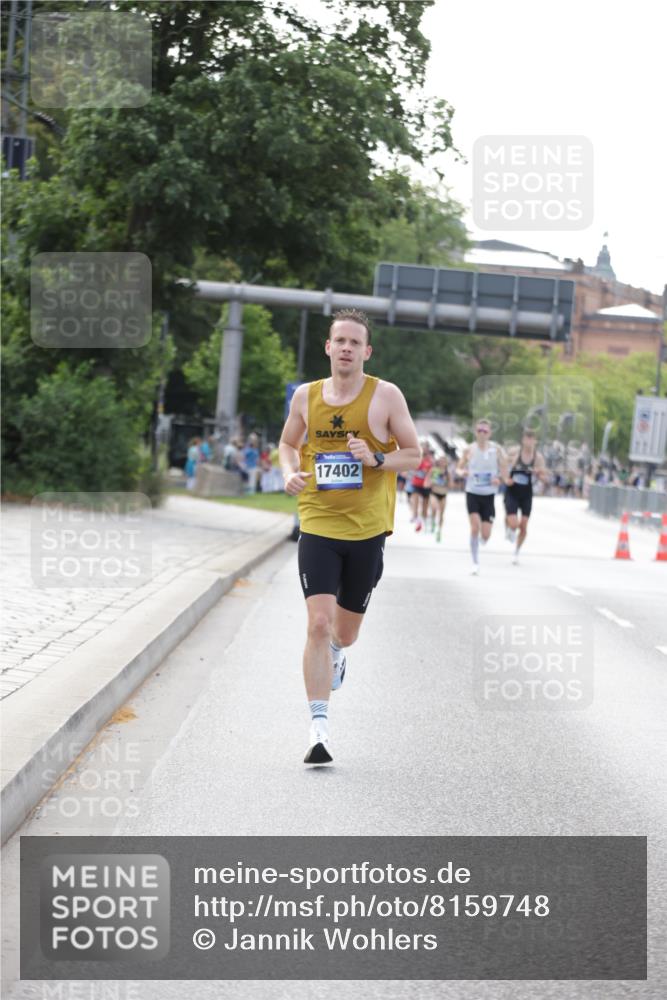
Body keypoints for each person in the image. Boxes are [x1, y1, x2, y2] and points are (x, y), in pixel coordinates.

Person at [279, 308, 421, 765]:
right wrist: (288, 472)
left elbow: (414, 455)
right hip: (318, 522)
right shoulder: (306, 396)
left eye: (354, 343)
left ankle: (339, 652)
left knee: (343, 631)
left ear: (366, 351)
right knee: (317, 624)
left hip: (366, 530)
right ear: (327, 347)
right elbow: (287, 443)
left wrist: (376, 459)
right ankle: (319, 727)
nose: (346, 348)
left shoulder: (386, 396)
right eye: (339, 340)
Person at [457, 419, 508, 575]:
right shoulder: (469, 450)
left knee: (485, 534)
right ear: (475, 432)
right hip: (472, 492)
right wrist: (463, 473)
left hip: (489, 495)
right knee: (474, 527)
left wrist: (499, 478)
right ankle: (475, 562)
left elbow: (505, 470)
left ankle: (479, 543)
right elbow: (459, 468)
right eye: (479, 430)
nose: (482, 433)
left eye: (485, 431)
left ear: (490, 433)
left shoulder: (496, 450)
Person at [503, 429, 547, 565]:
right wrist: (505, 478)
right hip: (512, 491)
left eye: (531, 438)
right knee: (514, 524)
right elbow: (502, 465)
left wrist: (539, 473)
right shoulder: (514, 452)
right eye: (526, 438)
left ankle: (516, 552)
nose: (529, 441)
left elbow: (544, 478)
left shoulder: (538, 458)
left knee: (523, 525)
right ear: (523, 440)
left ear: (535, 441)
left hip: (526, 493)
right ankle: (508, 526)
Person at [424, 453, 450, 542]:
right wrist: (430, 482)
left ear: (446, 463)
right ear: (438, 461)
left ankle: (439, 531)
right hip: (434, 493)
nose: (443, 462)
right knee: (434, 508)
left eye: (444, 461)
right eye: (441, 460)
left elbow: (451, 485)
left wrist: (446, 482)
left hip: (443, 494)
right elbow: (426, 483)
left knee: (441, 513)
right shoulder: (433, 470)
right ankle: (432, 521)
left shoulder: (447, 472)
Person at [409, 442, 434, 531]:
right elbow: (412, 468)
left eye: (426, 450)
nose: (424, 451)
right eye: (423, 449)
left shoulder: (430, 461)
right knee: (415, 498)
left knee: (425, 506)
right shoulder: (417, 459)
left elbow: (431, 472)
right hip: (416, 484)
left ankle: (423, 520)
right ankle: (415, 515)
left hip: (426, 486)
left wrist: (427, 473)